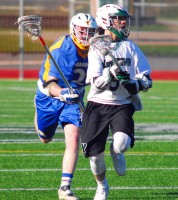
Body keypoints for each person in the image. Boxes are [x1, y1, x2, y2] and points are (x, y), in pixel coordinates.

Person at [80, 4, 152, 200]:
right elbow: (95, 82)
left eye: (123, 19)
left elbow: (147, 79)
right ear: (105, 21)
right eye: (117, 19)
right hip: (98, 103)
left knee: (121, 145)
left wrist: (135, 85)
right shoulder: (97, 47)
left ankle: (115, 151)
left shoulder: (131, 47)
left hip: (122, 104)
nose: (122, 23)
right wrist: (110, 74)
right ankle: (102, 186)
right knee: (95, 156)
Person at [34, 13, 97, 200]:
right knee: (45, 138)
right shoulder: (63, 49)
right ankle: (38, 118)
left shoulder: (96, 49)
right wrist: (62, 92)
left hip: (74, 99)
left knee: (74, 136)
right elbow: (50, 84)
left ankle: (65, 188)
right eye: (83, 30)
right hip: (49, 97)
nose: (86, 35)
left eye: (90, 31)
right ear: (74, 29)